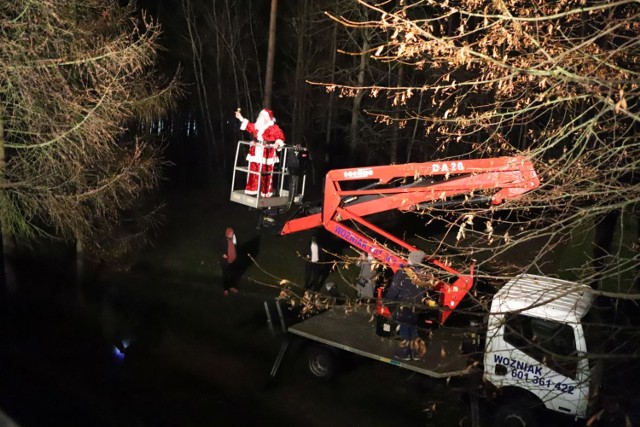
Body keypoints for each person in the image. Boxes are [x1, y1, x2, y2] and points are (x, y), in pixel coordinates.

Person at [385, 250, 427, 361]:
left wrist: (388, 300)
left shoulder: (403, 273)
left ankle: (406, 353)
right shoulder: (423, 274)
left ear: (411, 260)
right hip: (416, 307)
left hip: (404, 305)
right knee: (413, 329)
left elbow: (395, 288)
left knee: (404, 329)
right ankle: (416, 353)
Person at [235, 108, 286, 197]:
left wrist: (277, 143)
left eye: (262, 117)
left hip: (267, 153)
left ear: (268, 119)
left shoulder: (274, 128)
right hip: (255, 152)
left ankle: (266, 193)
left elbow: (280, 137)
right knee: (253, 172)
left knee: (266, 175)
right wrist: (241, 118)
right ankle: (252, 190)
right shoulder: (257, 126)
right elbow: (249, 126)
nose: (260, 118)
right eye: (260, 116)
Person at [220, 227, 239, 296]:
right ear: (227, 235)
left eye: (232, 234)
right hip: (225, 262)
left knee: (232, 275)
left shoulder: (234, 239)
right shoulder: (223, 241)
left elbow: (236, 247)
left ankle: (231, 287)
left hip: (233, 260)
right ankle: (226, 289)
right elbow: (219, 250)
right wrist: (223, 254)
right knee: (225, 275)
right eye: (230, 234)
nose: (231, 235)